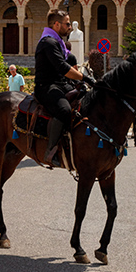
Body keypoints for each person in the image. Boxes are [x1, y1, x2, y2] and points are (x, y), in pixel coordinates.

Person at [34, 9, 96, 167]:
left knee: (85, 99)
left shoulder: (58, 43)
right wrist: (85, 78)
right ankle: (50, 150)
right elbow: (62, 67)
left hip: (60, 84)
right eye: (67, 24)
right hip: (46, 86)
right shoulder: (48, 42)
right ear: (56, 24)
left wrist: (83, 83)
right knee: (64, 110)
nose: (70, 27)